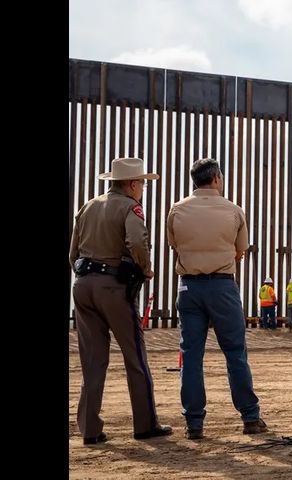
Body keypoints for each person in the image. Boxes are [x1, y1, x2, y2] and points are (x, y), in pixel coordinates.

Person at [69, 157, 173, 445]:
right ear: (132, 184)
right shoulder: (130, 207)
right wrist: (146, 268)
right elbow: (137, 241)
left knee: (92, 360)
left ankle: (90, 429)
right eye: (142, 185)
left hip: (83, 285)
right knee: (134, 356)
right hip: (113, 287)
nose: (142, 190)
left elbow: (73, 252)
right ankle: (145, 424)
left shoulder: (88, 206)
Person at [167, 158, 268, 439]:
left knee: (191, 355)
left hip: (189, 287)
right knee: (235, 353)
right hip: (222, 287)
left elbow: (175, 245)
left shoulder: (177, 209)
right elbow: (241, 251)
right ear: (215, 179)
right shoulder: (234, 210)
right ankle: (250, 417)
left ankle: (194, 423)